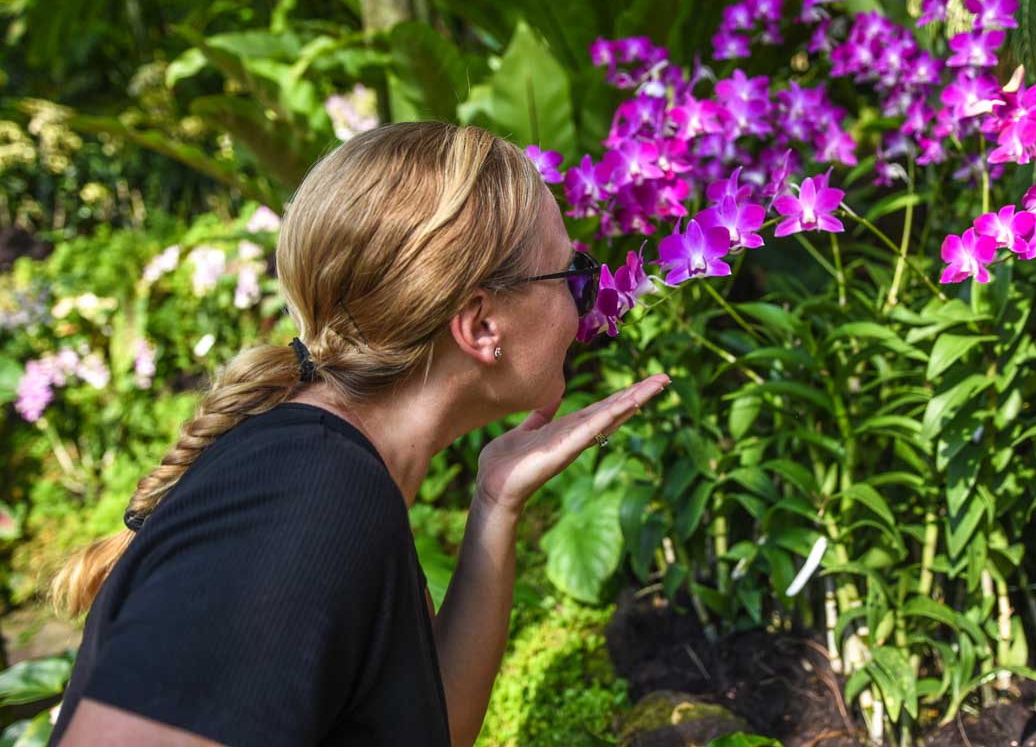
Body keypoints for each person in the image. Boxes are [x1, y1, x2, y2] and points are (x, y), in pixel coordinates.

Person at [45, 122, 671, 747]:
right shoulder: (304, 502)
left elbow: (426, 730)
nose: (585, 299)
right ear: (481, 325)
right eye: (571, 272)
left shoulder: (339, 473)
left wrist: (495, 504)